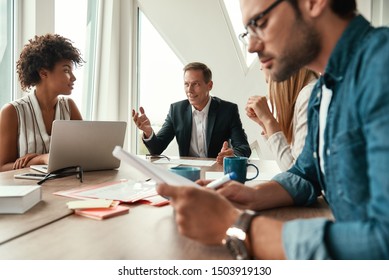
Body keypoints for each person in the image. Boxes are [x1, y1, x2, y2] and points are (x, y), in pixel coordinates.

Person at [156, 0, 389, 260]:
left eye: (260, 23)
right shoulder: (322, 92)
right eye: (248, 32)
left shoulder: (382, 66)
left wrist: (238, 227)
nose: (253, 46)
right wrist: (251, 196)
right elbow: (305, 175)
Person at [132, 62, 251, 163]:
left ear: (209, 85)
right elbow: (157, 149)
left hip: (217, 172)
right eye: (186, 84)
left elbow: (243, 147)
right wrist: (148, 132)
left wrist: (232, 155)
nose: (189, 90)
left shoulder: (227, 110)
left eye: (195, 84)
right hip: (187, 173)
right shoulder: (176, 110)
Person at [0, 34, 84, 171]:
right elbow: (2, 167)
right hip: (26, 190)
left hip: (64, 186)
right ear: (43, 73)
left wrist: (36, 159)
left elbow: (84, 153)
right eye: (66, 70)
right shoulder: (12, 111)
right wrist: (41, 159)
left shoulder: (70, 107)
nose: (73, 78)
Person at [246, 67, 318, 171]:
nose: (270, 90)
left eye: (269, 82)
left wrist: (268, 120)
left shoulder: (309, 96)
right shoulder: (307, 96)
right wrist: (264, 123)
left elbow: (297, 176)